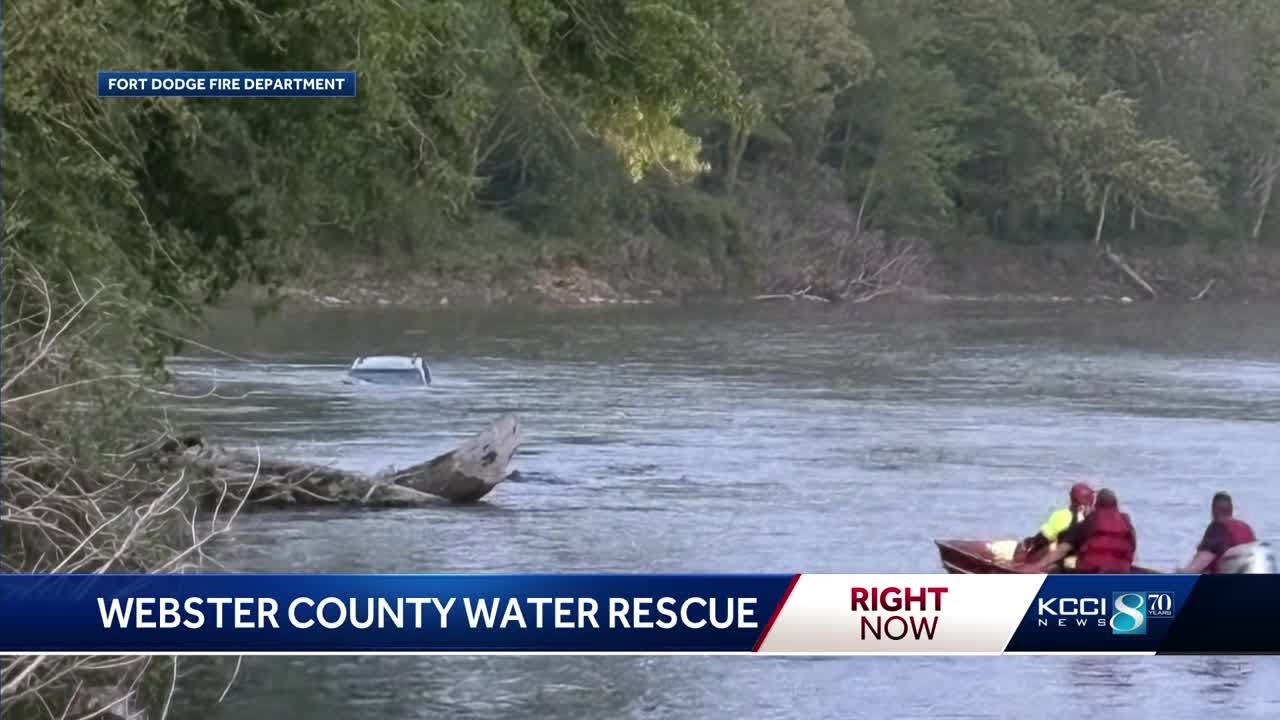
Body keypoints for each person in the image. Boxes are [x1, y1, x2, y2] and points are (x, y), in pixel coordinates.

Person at [1018, 488, 1136, 573]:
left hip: (1090, 573)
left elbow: (1061, 550)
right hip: (1121, 572)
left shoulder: (1088, 522)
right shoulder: (1127, 523)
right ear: (1116, 504)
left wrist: (1037, 566)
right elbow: (1132, 548)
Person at [1178, 492, 1258, 573]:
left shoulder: (1218, 527)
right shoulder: (1246, 528)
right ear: (1231, 510)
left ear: (1214, 510)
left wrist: (1181, 573)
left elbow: (1203, 559)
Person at [1019, 483, 1094, 568]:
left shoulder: (1062, 515)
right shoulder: (1095, 519)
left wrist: (1030, 542)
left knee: (1038, 546)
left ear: (1071, 498)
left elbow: (1042, 538)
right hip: (1082, 558)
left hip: (1061, 558)